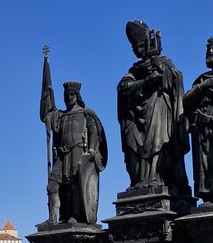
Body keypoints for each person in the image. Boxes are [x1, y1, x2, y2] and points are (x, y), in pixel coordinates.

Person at [118, 20, 190, 195]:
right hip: (137, 118)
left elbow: (174, 79)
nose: (136, 50)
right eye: (134, 47)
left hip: (158, 110)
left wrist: (157, 63)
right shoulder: (134, 71)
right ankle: (140, 180)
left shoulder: (163, 63)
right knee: (132, 137)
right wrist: (145, 82)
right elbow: (123, 88)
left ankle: (157, 177)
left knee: (158, 141)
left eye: (139, 46)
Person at [41, 77, 107, 224]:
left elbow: (94, 133)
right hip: (62, 155)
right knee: (52, 186)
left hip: (78, 152)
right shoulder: (61, 116)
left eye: (71, 94)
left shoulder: (86, 113)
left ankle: (75, 215)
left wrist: (92, 149)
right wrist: (47, 97)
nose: (68, 98)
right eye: (66, 95)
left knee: (75, 187)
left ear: (77, 96)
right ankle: (52, 219)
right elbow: (46, 117)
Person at [184, 36, 213, 203]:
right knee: (205, 164)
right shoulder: (202, 80)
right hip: (203, 131)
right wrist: (203, 86)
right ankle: (208, 195)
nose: (210, 52)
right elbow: (186, 101)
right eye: (208, 50)